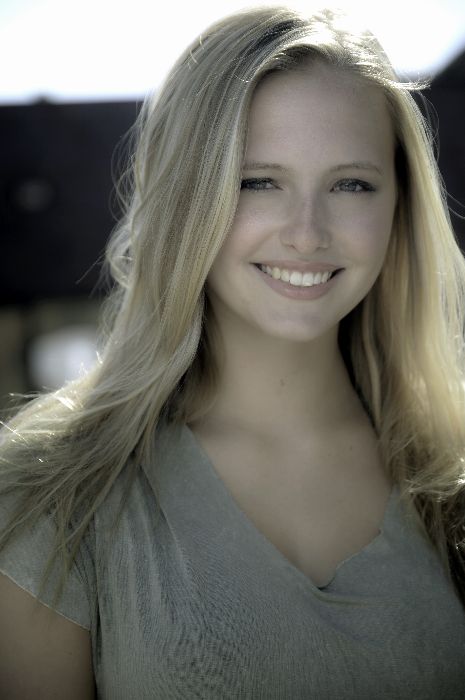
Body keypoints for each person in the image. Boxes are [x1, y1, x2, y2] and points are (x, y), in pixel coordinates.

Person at [1, 5, 465, 698]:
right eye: (257, 181)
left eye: (351, 184)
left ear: (400, 205)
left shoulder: (449, 476)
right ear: (184, 198)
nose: (306, 233)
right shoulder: (52, 494)